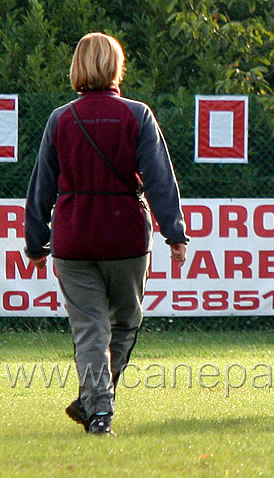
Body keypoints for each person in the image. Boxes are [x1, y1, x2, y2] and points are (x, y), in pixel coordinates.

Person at [24, 32, 190, 435]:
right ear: (118, 66)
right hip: (126, 239)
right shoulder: (137, 114)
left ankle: (96, 407)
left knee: (89, 330)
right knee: (126, 323)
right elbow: (159, 181)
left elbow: (41, 185)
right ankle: (99, 405)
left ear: (76, 67)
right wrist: (175, 234)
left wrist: (35, 241)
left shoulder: (60, 118)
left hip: (74, 238)